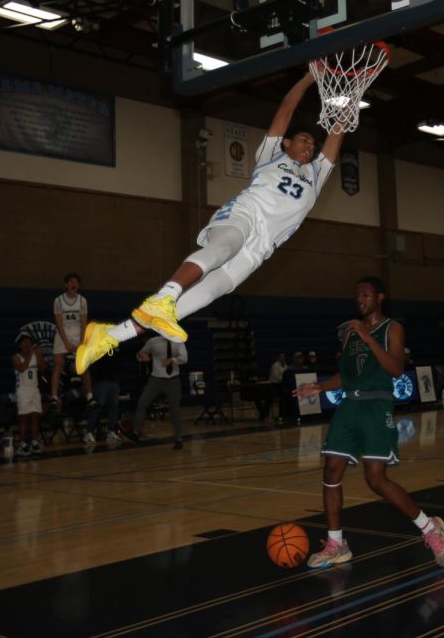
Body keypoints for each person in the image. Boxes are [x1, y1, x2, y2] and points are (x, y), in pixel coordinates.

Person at [74, 73, 342, 372]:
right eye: (304, 139)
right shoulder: (271, 154)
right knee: (223, 249)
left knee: (208, 293)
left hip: (262, 247)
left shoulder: (317, 176)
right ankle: (164, 296)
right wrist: (310, 77)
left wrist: (350, 100)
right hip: (245, 214)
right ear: (287, 143)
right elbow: (287, 107)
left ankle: (108, 336)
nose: (310, 146)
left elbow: (338, 131)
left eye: (313, 144)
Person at [294, 276, 444, 569]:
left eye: (365, 294)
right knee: (331, 469)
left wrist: (367, 337)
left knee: (376, 479)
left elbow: (395, 368)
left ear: (379, 298)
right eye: (357, 295)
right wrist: (320, 387)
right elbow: (347, 375)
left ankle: (429, 527)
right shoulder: (348, 333)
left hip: (376, 405)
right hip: (350, 405)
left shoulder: (393, 328)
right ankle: (336, 543)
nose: (360, 300)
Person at [125, 335, 187, 449]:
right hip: (155, 379)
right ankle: (136, 433)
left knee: (175, 410)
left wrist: (172, 360)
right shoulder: (153, 341)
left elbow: (184, 358)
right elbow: (140, 353)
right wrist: (142, 356)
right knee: (142, 403)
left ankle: (179, 439)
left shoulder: (177, 341)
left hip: (173, 380)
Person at [50, 273, 88, 407]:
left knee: (84, 365)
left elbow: (84, 323)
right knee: (58, 365)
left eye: (76, 282)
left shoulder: (82, 300)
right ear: (66, 284)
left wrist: (82, 342)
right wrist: (66, 342)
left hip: (77, 332)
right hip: (63, 332)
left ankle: (89, 395)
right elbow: (58, 323)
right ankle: (54, 396)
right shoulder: (58, 301)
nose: (74, 284)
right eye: (71, 282)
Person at [12, 335, 47, 456]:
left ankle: (34, 441)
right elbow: (22, 368)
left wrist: (40, 355)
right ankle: (22, 444)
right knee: (23, 418)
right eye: (24, 343)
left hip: (34, 389)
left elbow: (43, 369)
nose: (27, 345)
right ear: (20, 345)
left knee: (35, 416)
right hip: (22, 390)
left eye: (29, 343)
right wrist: (31, 354)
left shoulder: (35, 356)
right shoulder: (16, 357)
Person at [83, 345, 123, 445]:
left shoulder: (116, 344)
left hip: (113, 380)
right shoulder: (99, 343)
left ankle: (110, 431)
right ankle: (88, 432)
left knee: (114, 407)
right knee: (97, 406)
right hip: (101, 380)